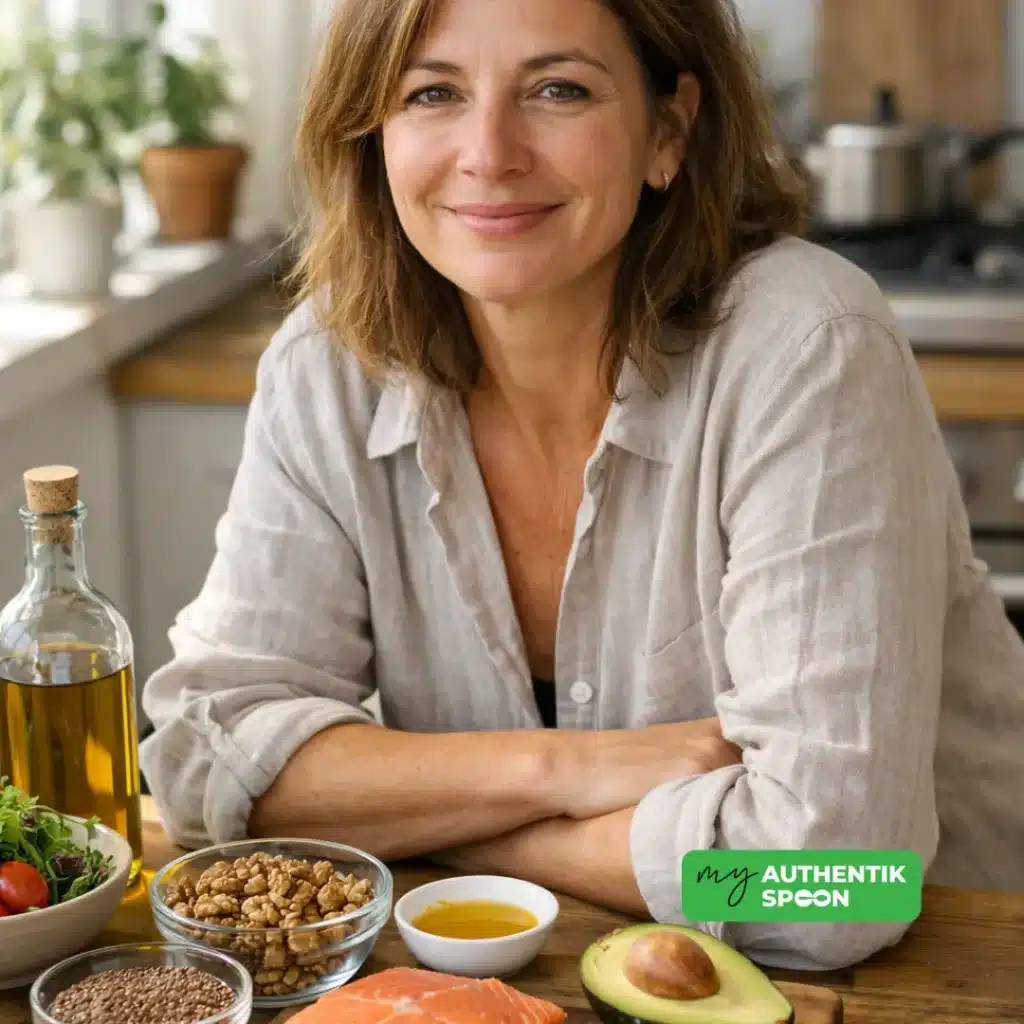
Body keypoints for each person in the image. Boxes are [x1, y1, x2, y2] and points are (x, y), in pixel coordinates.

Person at [139, 0, 1024, 972]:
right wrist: (567, 770)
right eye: (432, 92)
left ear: (667, 130)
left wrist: (458, 828)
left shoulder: (809, 348)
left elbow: (838, 888)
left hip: (950, 971)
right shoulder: (328, 364)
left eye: (558, 89)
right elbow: (201, 763)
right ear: (373, 134)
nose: (489, 152)